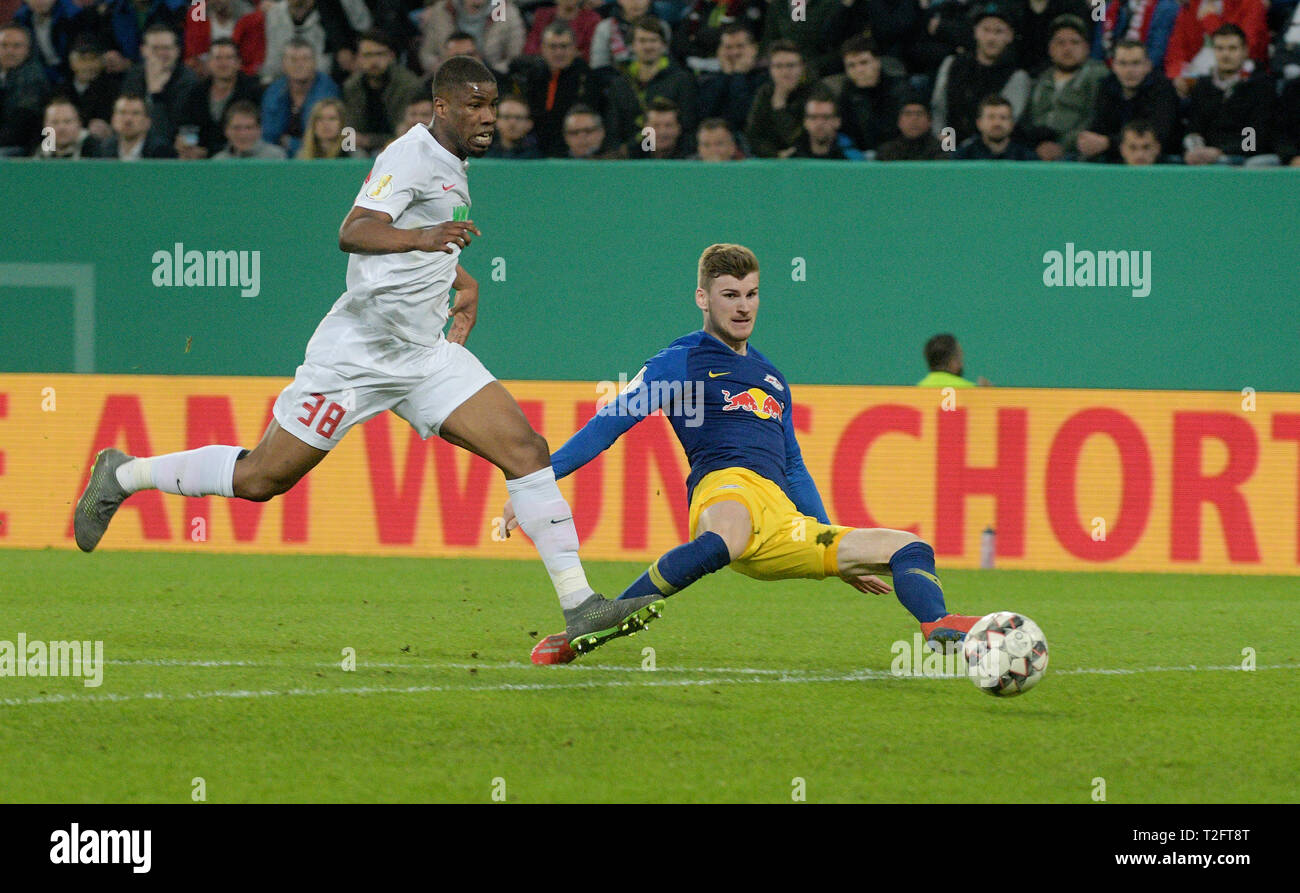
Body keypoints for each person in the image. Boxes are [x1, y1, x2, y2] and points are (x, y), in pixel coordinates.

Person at [74, 56, 665, 660]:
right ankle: (122, 474)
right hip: (357, 356)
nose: (488, 117)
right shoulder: (410, 156)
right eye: (475, 105)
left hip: (422, 353)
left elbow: (428, 236)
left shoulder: (452, 162)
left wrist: (461, 278)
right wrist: (424, 239)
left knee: (526, 450)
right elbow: (355, 230)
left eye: (492, 105)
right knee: (261, 479)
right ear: (441, 107)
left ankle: (580, 605)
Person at [510, 244, 983, 665]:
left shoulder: (772, 377)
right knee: (731, 532)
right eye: (730, 294)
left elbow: (793, 466)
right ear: (703, 298)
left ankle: (937, 626)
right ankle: (596, 621)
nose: (743, 307)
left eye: (751, 294)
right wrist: (538, 485)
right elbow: (610, 423)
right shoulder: (682, 360)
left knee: (909, 546)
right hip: (724, 489)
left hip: (779, 518)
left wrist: (827, 535)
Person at [931, 3, 1030, 145]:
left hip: (989, 154)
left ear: (1009, 36)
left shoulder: (1017, 77)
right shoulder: (952, 64)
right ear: (976, 32)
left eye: (998, 32)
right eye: (986, 30)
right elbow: (940, 109)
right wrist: (948, 147)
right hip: (949, 149)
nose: (991, 38)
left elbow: (1005, 123)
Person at [1182, 23, 1277, 165]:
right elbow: (1194, 128)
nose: (1225, 54)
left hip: (1244, 157)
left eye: (1232, 49)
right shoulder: (1203, 86)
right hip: (1206, 156)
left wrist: (1220, 152)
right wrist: (1196, 149)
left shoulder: (1260, 85)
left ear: (1245, 51)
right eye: (1220, 48)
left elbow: (1255, 138)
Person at [603, 15, 699, 150]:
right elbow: (613, 129)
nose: (648, 46)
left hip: (672, 158)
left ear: (664, 45)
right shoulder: (620, 85)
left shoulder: (682, 80)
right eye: (642, 41)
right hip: (630, 161)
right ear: (632, 46)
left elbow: (688, 126)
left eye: (653, 40)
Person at [1019, 15, 1107, 160]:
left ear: (1086, 48)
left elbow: (1093, 118)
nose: (1067, 48)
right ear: (1051, 49)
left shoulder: (1096, 76)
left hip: (1076, 152)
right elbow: (1027, 119)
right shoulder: (1041, 79)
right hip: (1036, 149)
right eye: (1060, 43)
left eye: (1074, 42)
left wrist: (1062, 146)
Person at [1076, 38, 1179, 161]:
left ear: (1148, 66)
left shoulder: (1163, 89)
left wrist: (1108, 143)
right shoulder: (1106, 87)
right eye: (1123, 63)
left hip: (1155, 159)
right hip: (1114, 156)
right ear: (1113, 66)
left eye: (1135, 63)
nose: (1129, 70)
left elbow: (1158, 135)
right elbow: (1098, 125)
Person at [175, 36, 263, 158]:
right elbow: (187, 126)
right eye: (217, 58)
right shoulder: (196, 92)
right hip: (198, 161)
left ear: (238, 63)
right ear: (209, 63)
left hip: (241, 156)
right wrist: (185, 142)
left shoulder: (253, 92)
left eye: (228, 58)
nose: (223, 63)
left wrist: (208, 153)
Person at [819, 34, 906, 153]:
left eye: (864, 63)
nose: (859, 70)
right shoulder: (844, 96)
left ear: (877, 62)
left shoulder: (900, 90)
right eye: (851, 66)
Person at [341, 29, 421, 154]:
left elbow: (403, 133)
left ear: (391, 56)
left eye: (379, 54)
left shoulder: (408, 85)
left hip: (399, 147)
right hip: (361, 150)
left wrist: (369, 141)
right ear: (359, 58)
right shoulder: (352, 87)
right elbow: (350, 131)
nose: (373, 61)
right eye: (367, 55)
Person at [120, 22, 199, 145]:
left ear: (177, 51)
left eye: (166, 48)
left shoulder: (188, 81)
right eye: (155, 48)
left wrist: (155, 92)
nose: (161, 53)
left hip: (170, 148)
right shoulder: (134, 75)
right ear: (143, 51)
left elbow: (166, 131)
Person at [261, 37, 340, 156]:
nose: (299, 65)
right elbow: (269, 135)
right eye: (293, 60)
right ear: (283, 64)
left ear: (315, 63)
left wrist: (291, 143)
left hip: (320, 156)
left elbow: (323, 138)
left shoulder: (327, 90)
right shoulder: (274, 91)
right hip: (280, 158)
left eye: (305, 59)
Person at [745, 39, 811, 157]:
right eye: (778, 66)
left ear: (802, 67)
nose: (785, 72)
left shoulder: (815, 92)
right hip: (772, 162)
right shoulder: (765, 92)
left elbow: (802, 141)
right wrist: (775, 154)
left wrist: (779, 108)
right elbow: (754, 136)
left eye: (791, 66)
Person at [696, 22, 763, 136]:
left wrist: (738, 75)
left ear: (754, 48)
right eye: (728, 47)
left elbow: (743, 116)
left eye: (740, 46)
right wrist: (727, 75)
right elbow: (705, 115)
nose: (734, 52)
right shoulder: (708, 80)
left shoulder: (766, 78)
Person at [0, 21, 49, 155]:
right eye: (4, 45)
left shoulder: (33, 78)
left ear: (28, 50)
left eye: (16, 46)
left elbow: (19, 125)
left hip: (20, 147)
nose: (9, 51)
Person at [90, 90, 176, 157]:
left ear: (147, 122)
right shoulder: (103, 150)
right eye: (122, 113)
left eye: (135, 113)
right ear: (113, 119)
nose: (128, 119)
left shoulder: (161, 152)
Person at [955, 92, 1035, 158]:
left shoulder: (1026, 157)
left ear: (1012, 124)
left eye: (1003, 118)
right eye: (991, 117)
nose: (997, 123)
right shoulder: (963, 156)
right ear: (979, 123)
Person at [524, 0, 602, 61]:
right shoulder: (542, 15)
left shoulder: (592, 20)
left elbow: (589, 54)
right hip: (542, 68)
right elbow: (530, 49)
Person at [211, 97, 287, 157]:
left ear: (259, 130)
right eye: (237, 128)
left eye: (249, 128)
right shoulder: (218, 161)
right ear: (226, 131)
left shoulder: (276, 157)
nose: (243, 134)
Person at [876, 97, 948, 159]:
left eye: (919, 114)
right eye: (908, 114)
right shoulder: (887, 151)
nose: (914, 119)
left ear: (929, 122)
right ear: (899, 122)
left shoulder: (939, 150)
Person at [32, 94, 100, 156]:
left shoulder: (96, 151)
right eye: (55, 122)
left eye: (67, 122)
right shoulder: (39, 154)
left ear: (79, 124)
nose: (61, 128)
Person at [789, 86, 848, 157]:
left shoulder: (852, 159)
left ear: (837, 122)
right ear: (805, 122)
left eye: (826, 117)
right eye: (813, 117)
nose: (819, 123)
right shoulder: (791, 159)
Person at [916, 333, 990, 386]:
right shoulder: (972, 392)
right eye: (960, 356)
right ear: (953, 361)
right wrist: (988, 394)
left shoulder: (915, 393)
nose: (962, 363)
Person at [484, 92, 541, 157]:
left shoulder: (538, 159)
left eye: (518, 118)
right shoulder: (484, 157)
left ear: (529, 124)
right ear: (495, 122)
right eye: (506, 117)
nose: (512, 123)